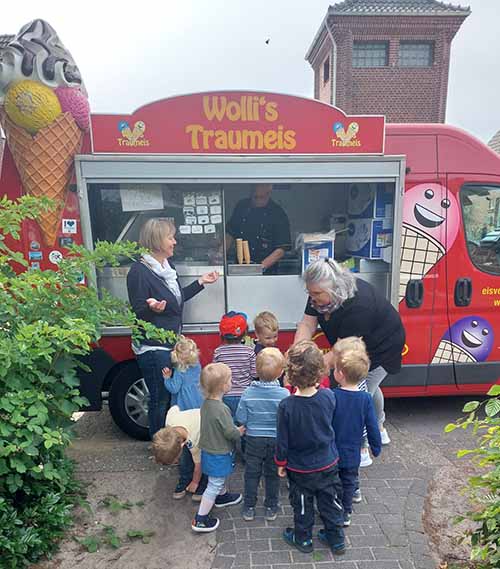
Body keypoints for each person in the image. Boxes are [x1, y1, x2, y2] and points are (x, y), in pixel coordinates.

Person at [294, 258, 405, 465]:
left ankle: (360, 449)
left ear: (334, 288)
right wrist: (297, 352)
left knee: (356, 394)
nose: (312, 298)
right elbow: (307, 324)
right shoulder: (317, 293)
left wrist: (307, 370)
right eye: (309, 292)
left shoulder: (359, 304)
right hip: (351, 342)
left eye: (317, 294)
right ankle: (379, 427)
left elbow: (339, 351)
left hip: (381, 346)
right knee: (369, 389)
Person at [126, 218, 219, 439]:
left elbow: (176, 300)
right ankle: (160, 446)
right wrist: (152, 309)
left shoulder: (168, 268)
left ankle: (170, 442)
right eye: (170, 237)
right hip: (152, 347)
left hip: (169, 343)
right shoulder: (139, 271)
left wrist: (200, 283)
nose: (175, 242)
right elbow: (139, 310)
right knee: (159, 399)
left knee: (169, 397)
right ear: (157, 240)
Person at [276, 341, 345, 556]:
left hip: (300, 467)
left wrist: (281, 462)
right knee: (330, 500)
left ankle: (303, 539)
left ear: (290, 374)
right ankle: (336, 538)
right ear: (320, 372)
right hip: (328, 461)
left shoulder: (286, 406)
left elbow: (283, 440)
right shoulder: (328, 396)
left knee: (303, 504)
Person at [331, 337, 382, 526]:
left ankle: (333, 508)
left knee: (334, 481)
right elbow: (372, 424)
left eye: (335, 369)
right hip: (353, 451)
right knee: (349, 481)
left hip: (333, 450)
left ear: (341, 374)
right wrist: (375, 447)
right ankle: (346, 513)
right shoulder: (365, 398)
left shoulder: (333, 396)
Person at [235, 348, 289, 522]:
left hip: (253, 440)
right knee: (272, 474)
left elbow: (241, 418)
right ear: (281, 372)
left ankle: (249, 507)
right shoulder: (284, 394)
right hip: (276, 440)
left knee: (252, 472)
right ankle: (271, 507)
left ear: (256, 371)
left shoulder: (248, 393)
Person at [192, 363, 245, 533]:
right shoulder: (222, 409)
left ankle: (222, 497)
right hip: (219, 453)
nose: (232, 381)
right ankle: (200, 519)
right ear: (223, 386)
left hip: (208, 450)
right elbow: (230, 433)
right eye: (230, 379)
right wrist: (240, 431)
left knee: (217, 479)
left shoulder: (206, 404)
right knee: (214, 484)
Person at [162, 336, 205, 501]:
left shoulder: (179, 372)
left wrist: (167, 378)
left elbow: (174, 389)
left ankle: (185, 478)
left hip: (184, 411)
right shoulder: (198, 367)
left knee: (186, 450)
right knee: (199, 447)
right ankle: (200, 479)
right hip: (198, 408)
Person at [226, 184, 291, 271]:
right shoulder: (242, 207)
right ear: (251, 192)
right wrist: (220, 254)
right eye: (255, 197)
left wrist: (259, 268)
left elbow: (281, 249)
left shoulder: (277, 213)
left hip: (267, 270)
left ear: (269, 193)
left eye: (261, 197)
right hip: (240, 266)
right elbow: (230, 233)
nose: (257, 200)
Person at [152, 405, 203, 501]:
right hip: (189, 425)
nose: (176, 462)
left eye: (175, 460)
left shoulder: (194, 441)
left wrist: (195, 482)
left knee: (205, 460)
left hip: (205, 427)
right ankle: (185, 480)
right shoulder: (169, 423)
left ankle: (201, 485)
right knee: (186, 460)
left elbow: (198, 466)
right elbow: (174, 408)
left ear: (182, 446)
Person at [213, 311, 257, 417]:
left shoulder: (218, 352)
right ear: (244, 333)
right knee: (244, 423)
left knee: (229, 423)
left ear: (221, 334)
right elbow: (255, 374)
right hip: (246, 394)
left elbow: (214, 374)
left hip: (225, 395)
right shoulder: (249, 351)